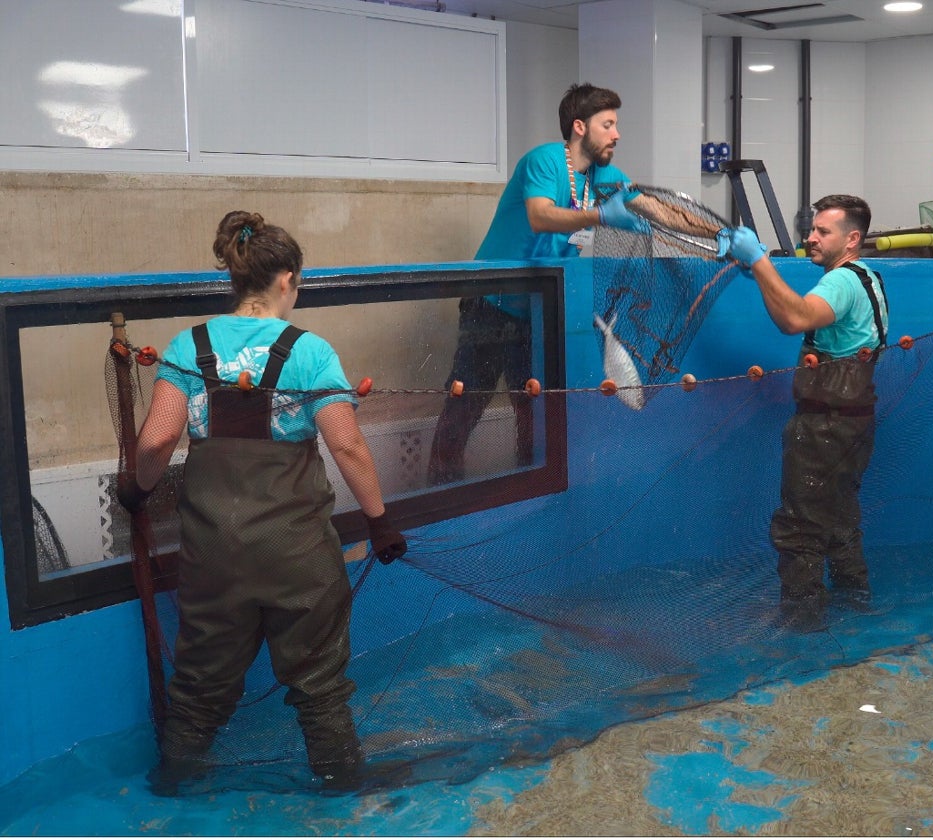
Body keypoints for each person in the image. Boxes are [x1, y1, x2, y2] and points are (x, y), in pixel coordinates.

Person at [117, 210, 408, 793]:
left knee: (199, 690)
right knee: (320, 690)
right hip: (296, 553)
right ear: (287, 280)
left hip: (211, 555)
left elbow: (155, 441)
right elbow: (346, 445)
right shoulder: (309, 352)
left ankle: (170, 792)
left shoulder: (187, 346)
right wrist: (379, 522)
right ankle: (341, 794)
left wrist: (134, 490)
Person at [426, 82, 648, 485]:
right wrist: (599, 217)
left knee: (535, 408)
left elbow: (653, 207)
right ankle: (439, 497)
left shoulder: (602, 176)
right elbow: (540, 216)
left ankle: (531, 492)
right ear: (580, 127)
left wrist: (717, 234)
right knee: (465, 406)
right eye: (608, 124)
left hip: (538, 310)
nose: (617, 134)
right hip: (490, 305)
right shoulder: (545, 160)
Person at [726, 195, 888, 629]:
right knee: (839, 519)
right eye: (811, 229)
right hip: (855, 422)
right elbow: (793, 315)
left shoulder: (839, 282)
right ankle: (856, 608)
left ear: (852, 239)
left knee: (800, 529)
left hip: (825, 428)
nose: (810, 237)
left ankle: (803, 632)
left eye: (823, 232)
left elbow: (794, 319)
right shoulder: (867, 276)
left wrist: (760, 262)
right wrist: (760, 274)